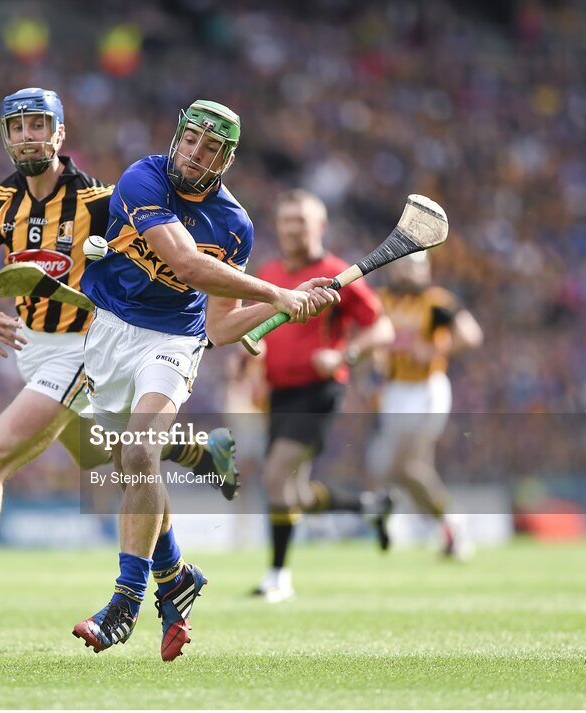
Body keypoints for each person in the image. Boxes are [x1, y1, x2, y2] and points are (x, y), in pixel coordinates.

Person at [0, 88, 240, 642]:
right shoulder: (0, 203)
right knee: (117, 465)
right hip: (34, 351)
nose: (28, 136)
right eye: (17, 128)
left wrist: (205, 319)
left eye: (39, 125)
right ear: (5, 137)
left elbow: (165, 257)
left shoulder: (100, 200)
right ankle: (185, 528)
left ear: (60, 133)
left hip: (83, 349)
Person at [73, 100, 339, 660]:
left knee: (140, 457)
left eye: (211, 147)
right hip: (108, 329)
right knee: (125, 466)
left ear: (228, 159)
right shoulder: (141, 178)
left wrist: (292, 307)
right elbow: (188, 264)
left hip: (172, 342)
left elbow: (217, 328)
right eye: (191, 139)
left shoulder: (235, 224)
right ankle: (175, 576)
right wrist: (278, 294)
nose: (196, 153)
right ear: (178, 137)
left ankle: (126, 601)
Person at [249, 189, 396, 603]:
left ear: (321, 226)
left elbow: (381, 329)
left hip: (318, 391)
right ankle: (369, 506)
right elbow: (259, 330)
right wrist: (253, 360)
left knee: (276, 474)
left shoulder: (338, 274)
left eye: (302, 220)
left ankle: (278, 576)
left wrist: (344, 354)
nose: (293, 228)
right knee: (294, 494)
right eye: (287, 220)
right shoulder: (270, 271)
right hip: (278, 393)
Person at [366, 251, 483, 559]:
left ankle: (452, 521)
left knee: (406, 467)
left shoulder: (436, 301)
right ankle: (448, 528)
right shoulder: (380, 300)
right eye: (403, 266)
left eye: (415, 267)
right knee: (409, 471)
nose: (408, 272)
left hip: (425, 389)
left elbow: (470, 335)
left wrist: (433, 349)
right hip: (394, 391)